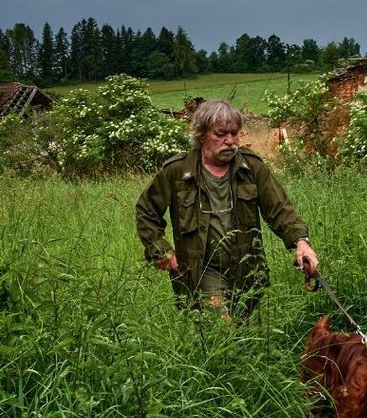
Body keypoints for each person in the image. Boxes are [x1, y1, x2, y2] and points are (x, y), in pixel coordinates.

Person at [136, 100, 319, 317]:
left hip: (246, 269)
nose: (230, 141)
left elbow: (279, 209)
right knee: (221, 327)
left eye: (234, 133)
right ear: (202, 134)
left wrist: (301, 242)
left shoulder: (251, 167)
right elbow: (147, 210)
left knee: (245, 336)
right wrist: (160, 249)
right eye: (221, 134)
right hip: (202, 270)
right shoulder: (177, 171)